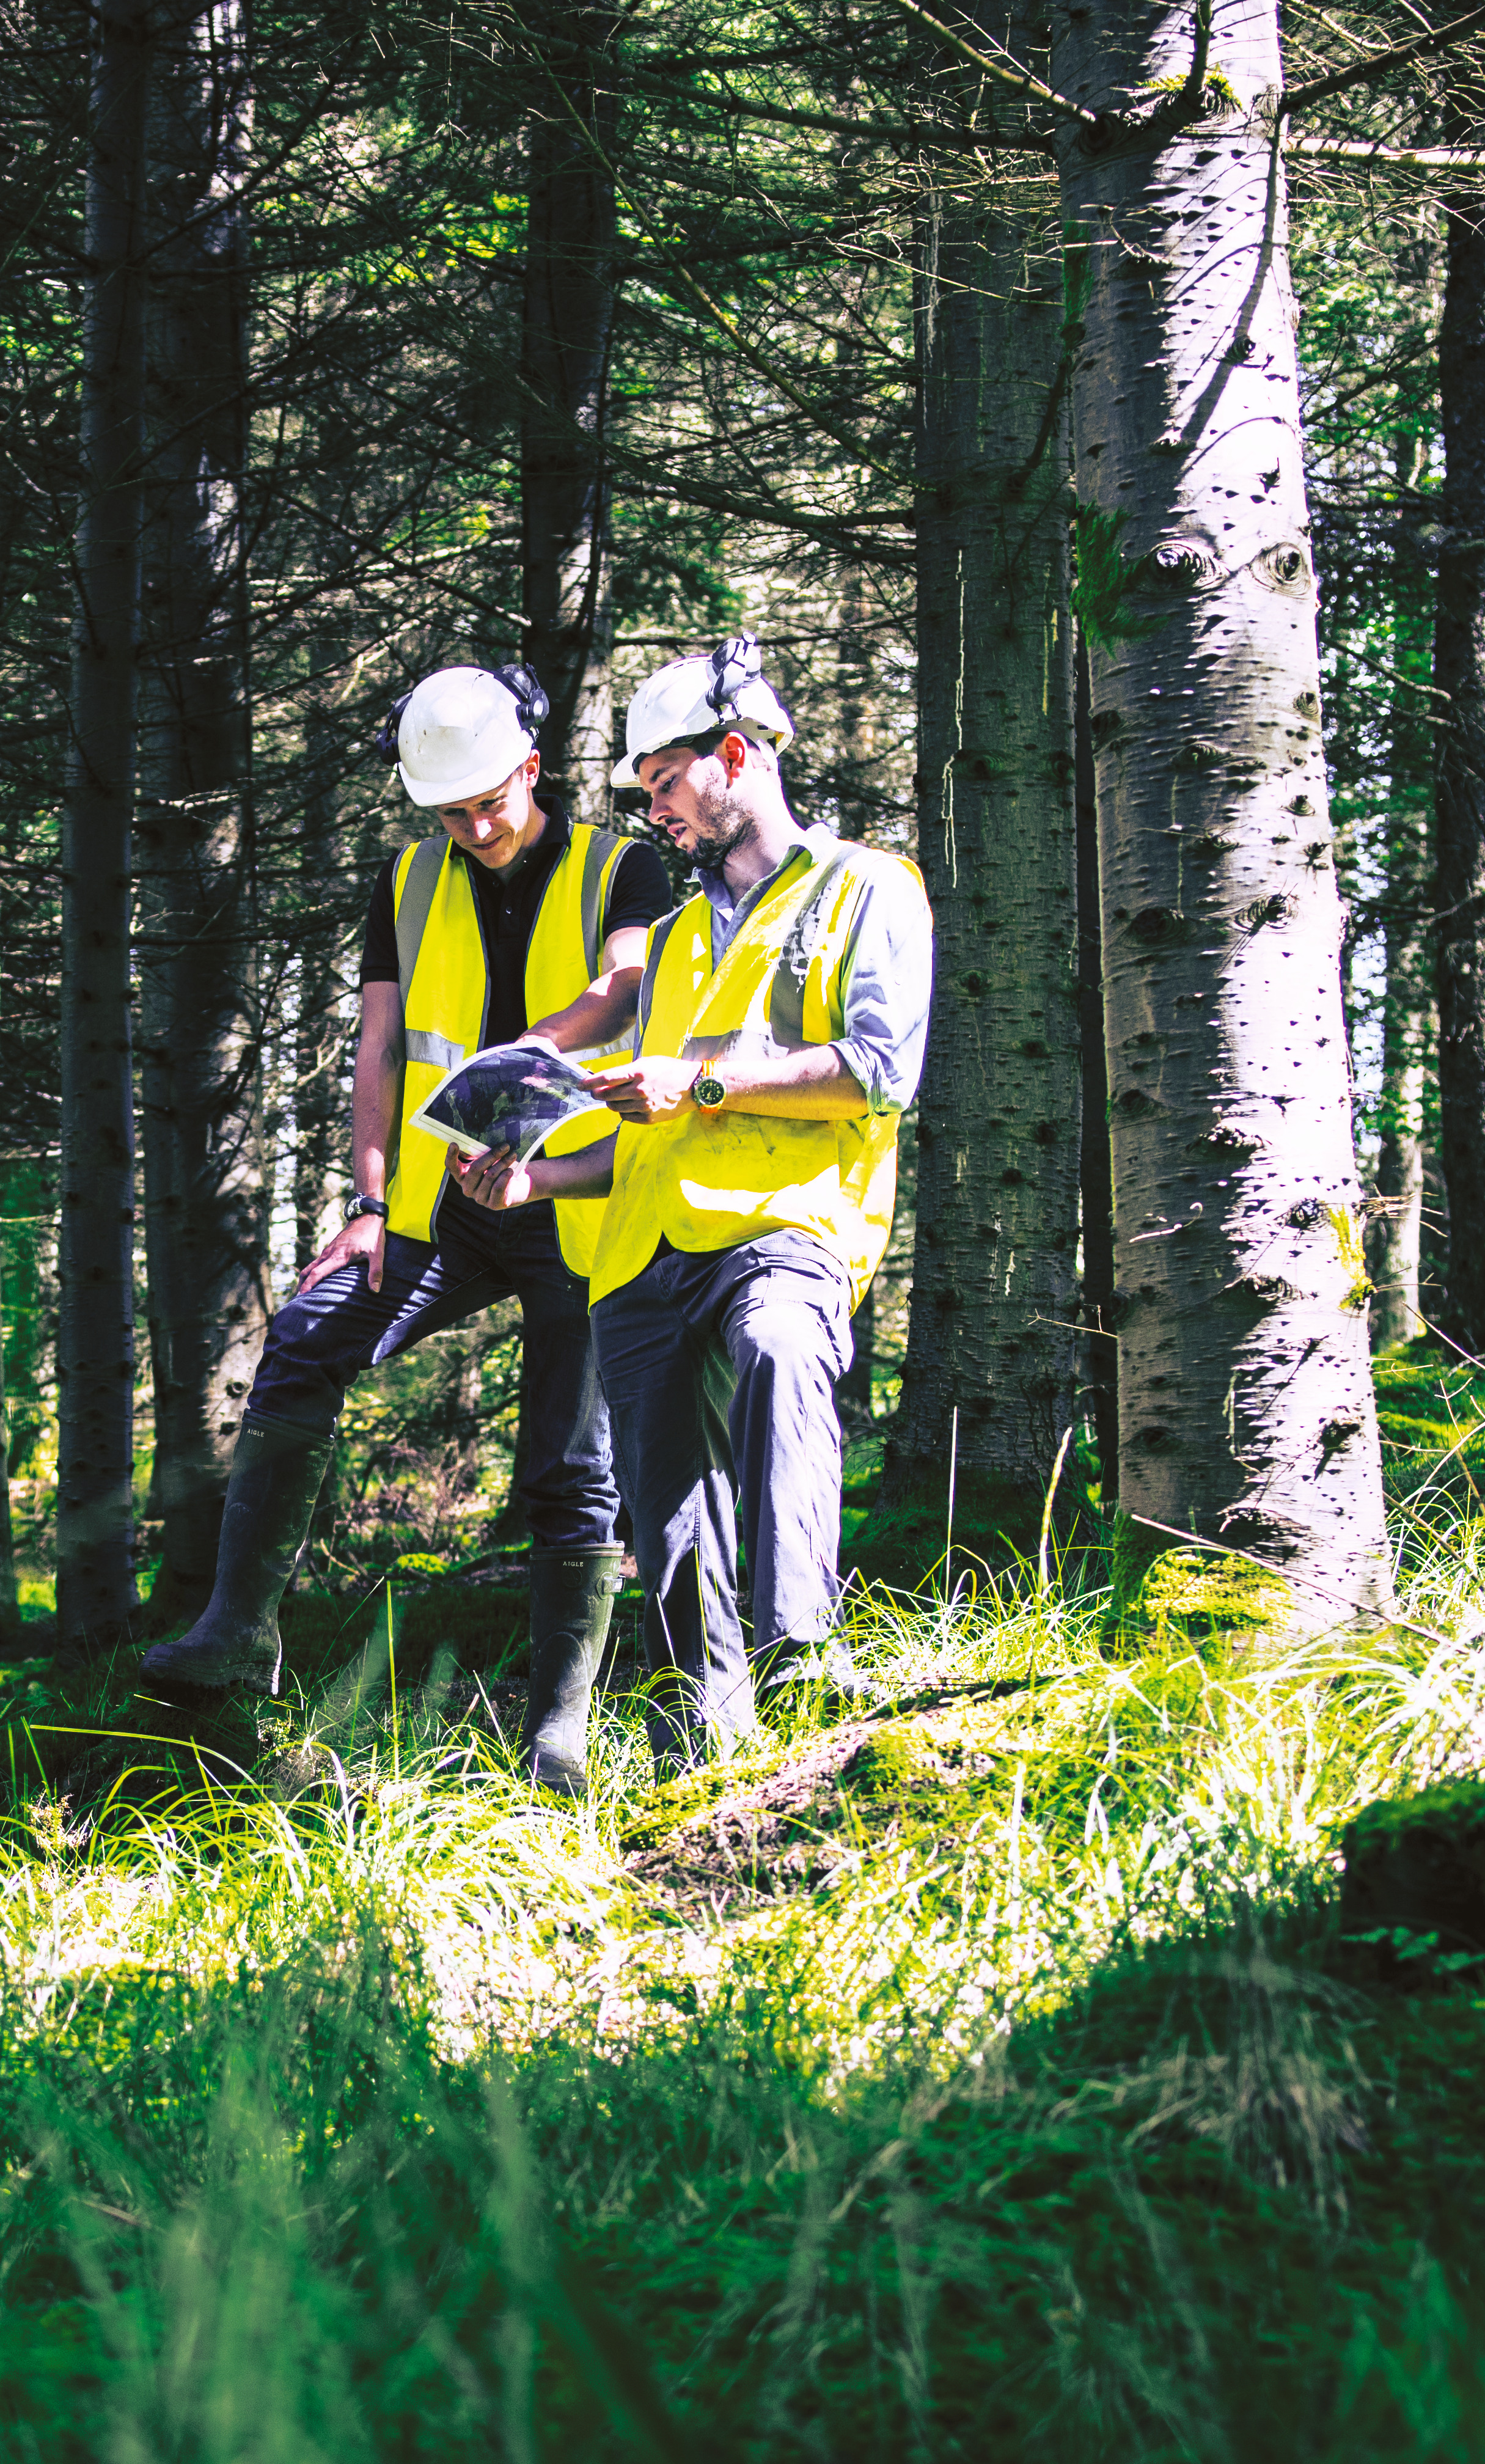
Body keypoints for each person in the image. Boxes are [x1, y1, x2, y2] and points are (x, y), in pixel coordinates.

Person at [138, 661, 679, 1772]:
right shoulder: (408, 881)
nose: (476, 826)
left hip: (577, 1200)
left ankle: (559, 1729)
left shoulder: (623, 866)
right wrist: (370, 1203)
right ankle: (238, 1636)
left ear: (533, 768)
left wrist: (538, 1049)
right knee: (303, 1341)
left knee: (572, 1469)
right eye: (452, 811)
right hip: (443, 1205)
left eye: (491, 801)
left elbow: (629, 987)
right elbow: (379, 1048)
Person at [453, 636, 932, 1773]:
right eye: (647, 793)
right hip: (641, 1257)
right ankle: (704, 1744)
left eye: (666, 784)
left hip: (786, 1229)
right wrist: (536, 1175)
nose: (655, 811)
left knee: (776, 1353)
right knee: (664, 1512)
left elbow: (880, 1070)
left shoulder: (866, 886)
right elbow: (652, 1139)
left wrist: (700, 1079)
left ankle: (802, 1661)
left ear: (734, 757)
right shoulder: (666, 949)